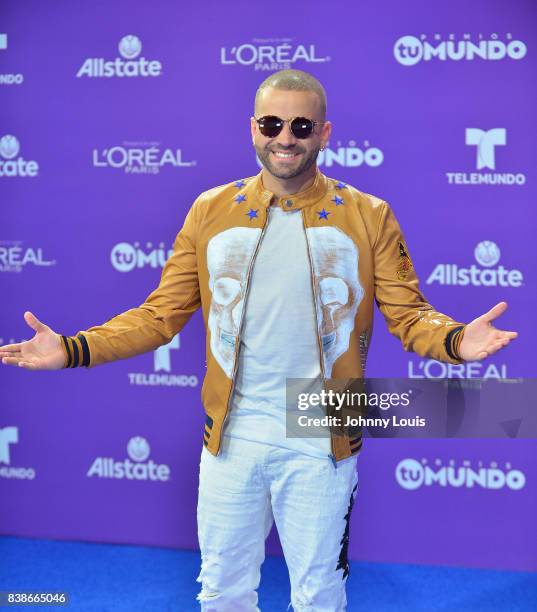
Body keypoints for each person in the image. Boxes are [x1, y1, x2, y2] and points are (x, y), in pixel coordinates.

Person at [0, 69, 517, 611]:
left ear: (324, 133)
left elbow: (410, 316)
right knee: (222, 593)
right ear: (253, 129)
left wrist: (457, 340)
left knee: (319, 597)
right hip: (231, 439)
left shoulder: (369, 216)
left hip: (322, 435)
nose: (285, 137)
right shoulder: (209, 210)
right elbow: (159, 316)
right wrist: (74, 349)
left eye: (300, 125)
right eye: (272, 123)